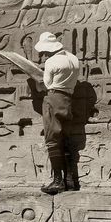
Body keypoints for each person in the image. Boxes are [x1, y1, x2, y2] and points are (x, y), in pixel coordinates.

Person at [34, 32, 79, 195]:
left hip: (54, 98)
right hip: (68, 100)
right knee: (65, 139)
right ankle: (70, 180)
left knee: (52, 139)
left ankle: (58, 181)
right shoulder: (73, 59)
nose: (43, 54)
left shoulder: (52, 61)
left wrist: (36, 80)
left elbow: (46, 84)